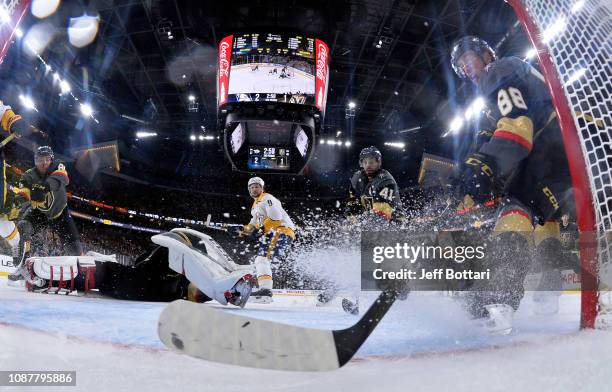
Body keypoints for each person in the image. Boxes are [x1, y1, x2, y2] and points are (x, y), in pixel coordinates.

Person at [449, 36, 574, 332]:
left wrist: (485, 165)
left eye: (469, 60)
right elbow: (489, 142)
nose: (467, 69)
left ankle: (497, 299)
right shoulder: (497, 92)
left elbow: (517, 129)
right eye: (461, 67)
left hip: (547, 148)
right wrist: (470, 180)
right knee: (545, 216)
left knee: (515, 209)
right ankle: (548, 292)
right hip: (562, 154)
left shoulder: (500, 70)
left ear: (487, 53)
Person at [19, 228, 254, 308]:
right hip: (154, 287)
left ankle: (39, 273)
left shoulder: (176, 278)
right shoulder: (180, 280)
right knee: (106, 271)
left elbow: (154, 261)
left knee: (105, 271)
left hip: (147, 287)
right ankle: (41, 275)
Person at [8, 146, 83, 281]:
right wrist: (17, 204)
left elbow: (63, 177)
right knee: (23, 226)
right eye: (40, 160)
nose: (44, 163)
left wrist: (44, 187)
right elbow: (22, 193)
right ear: (35, 161)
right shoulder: (28, 175)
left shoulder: (58, 166)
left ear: (52, 160)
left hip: (60, 214)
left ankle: (80, 273)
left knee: (76, 249)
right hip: (40, 213)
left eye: (47, 160)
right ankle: (23, 266)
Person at [227, 176, 296, 303]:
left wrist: (261, 229)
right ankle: (265, 290)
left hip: (280, 231)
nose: (254, 189)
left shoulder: (267, 198)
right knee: (260, 260)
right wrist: (239, 230)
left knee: (262, 260)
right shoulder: (255, 206)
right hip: (272, 233)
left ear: (262, 188)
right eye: (251, 187)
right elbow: (253, 226)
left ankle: (265, 292)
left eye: (256, 186)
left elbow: (276, 217)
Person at [345, 146, 401, 223]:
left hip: (392, 220)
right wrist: (350, 215)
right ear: (361, 163)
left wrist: (362, 220)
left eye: (371, 162)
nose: (368, 165)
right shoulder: (357, 177)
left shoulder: (386, 179)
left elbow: (384, 207)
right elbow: (352, 201)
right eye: (365, 162)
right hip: (369, 219)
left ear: (378, 163)